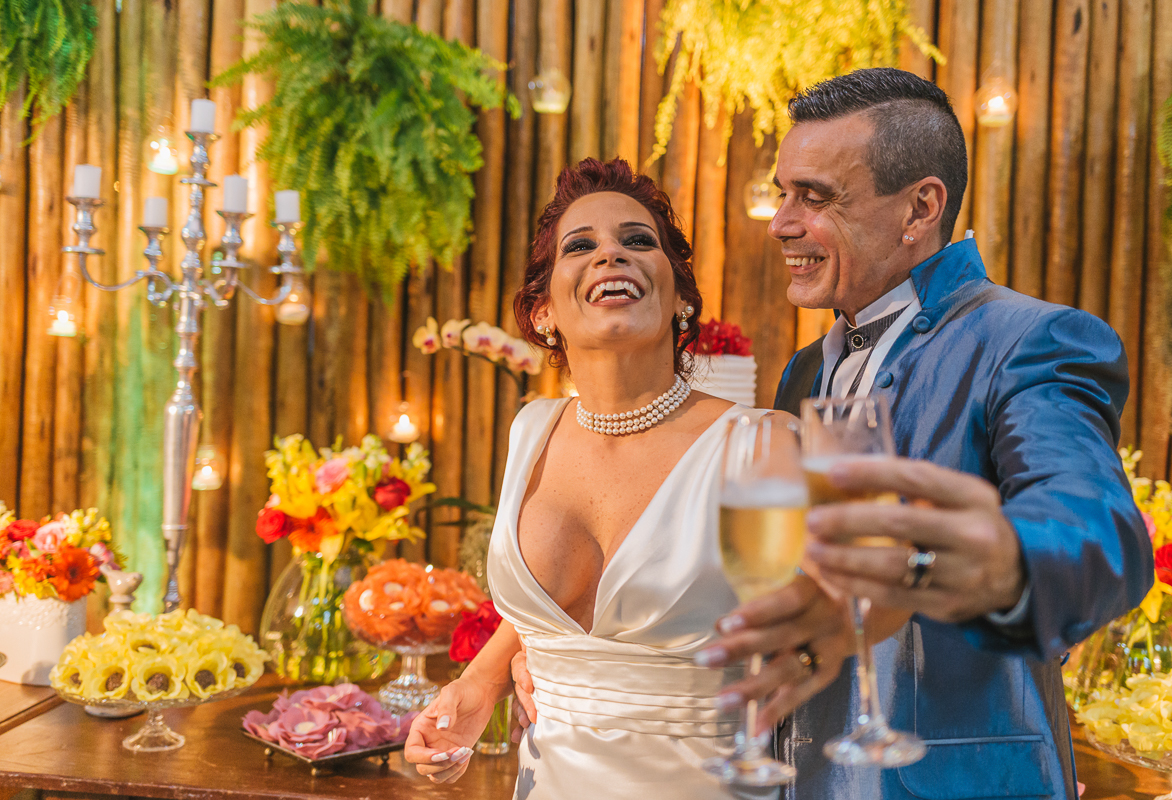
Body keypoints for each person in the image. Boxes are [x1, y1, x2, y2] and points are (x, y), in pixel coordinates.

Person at [702, 67, 1152, 798]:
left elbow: (1099, 528)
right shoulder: (803, 372)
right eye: (784, 192)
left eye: (814, 198)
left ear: (920, 209)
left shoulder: (1033, 340)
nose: (782, 221)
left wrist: (992, 559)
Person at [404, 157, 849, 799]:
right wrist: (477, 689)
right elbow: (541, 620)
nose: (610, 254)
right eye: (580, 246)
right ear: (544, 310)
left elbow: (846, 618)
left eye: (637, 241)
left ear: (681, 298)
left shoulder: (763, 444)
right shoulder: (530, 431)